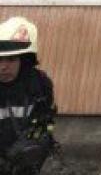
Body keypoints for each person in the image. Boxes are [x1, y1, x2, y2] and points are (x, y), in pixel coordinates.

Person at [0, 18, 55, 174]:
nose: (3, 67)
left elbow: (45, 124)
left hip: (25, 163)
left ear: (24, 60)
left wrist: (32, 144)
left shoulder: (40, 84)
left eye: (11, 59)